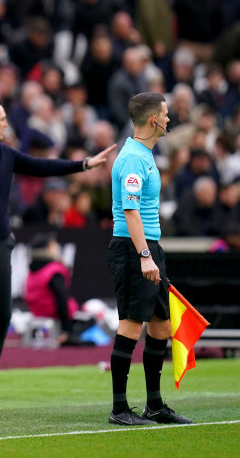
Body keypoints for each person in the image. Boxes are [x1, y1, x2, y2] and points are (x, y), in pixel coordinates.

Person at [0, 97, 115, 399]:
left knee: (3, 313)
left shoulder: (4, 153)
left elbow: (41, 166)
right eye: (2, 118)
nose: (7, 123)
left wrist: (83, 164)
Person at [106, 92, 193, 425]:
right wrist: (144, 256)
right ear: (154, 119)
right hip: (133, 248)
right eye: (166, 114)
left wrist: (150, 252)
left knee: (162, 326)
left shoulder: (143, 154)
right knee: (131, 324)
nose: (169, 119)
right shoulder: (132, 159)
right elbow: (130, 210)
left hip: (148, 246)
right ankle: (118, 408)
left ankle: (154, 405)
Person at [24, 233, 79, 345]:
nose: (57, 248)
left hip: (37, 312)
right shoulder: (54, 270)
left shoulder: (32, 272)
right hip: (54, 313)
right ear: (46, 250)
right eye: (53, 245)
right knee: (90, 319)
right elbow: (62, 298)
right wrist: (66, 329)